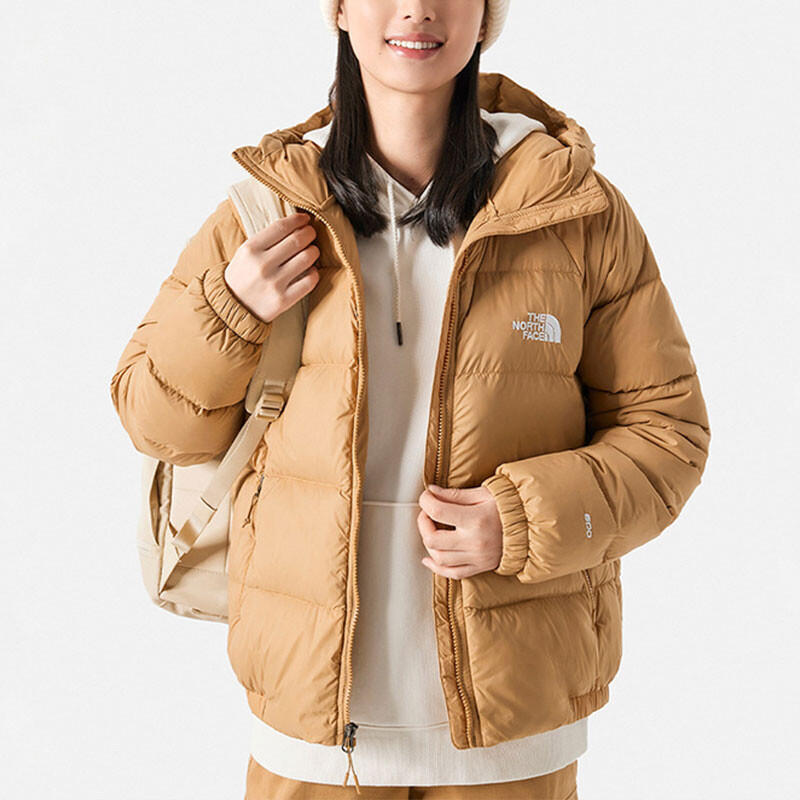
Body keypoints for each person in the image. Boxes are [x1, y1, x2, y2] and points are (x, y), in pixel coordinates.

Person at [109, 1, 711, 797]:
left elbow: (668, 435)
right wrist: (231, 309)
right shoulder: (266, 209)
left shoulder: (575, 212)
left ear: (485, 13)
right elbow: (154, 422)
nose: (417, 9)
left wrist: (525, 520)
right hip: (312, 736)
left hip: (511, 736)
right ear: (340, 9)